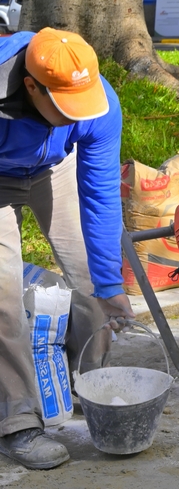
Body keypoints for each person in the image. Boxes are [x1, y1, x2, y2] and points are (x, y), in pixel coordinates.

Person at [0, 29, 134, 470]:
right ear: (32, 87)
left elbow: (100, 196)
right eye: (65, 106)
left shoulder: (98, 101)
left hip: (51, 167)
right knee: (3, 296)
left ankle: (90, 384)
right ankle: (17, 420)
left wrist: (111, 284)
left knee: (93, 282)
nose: (78, 114)